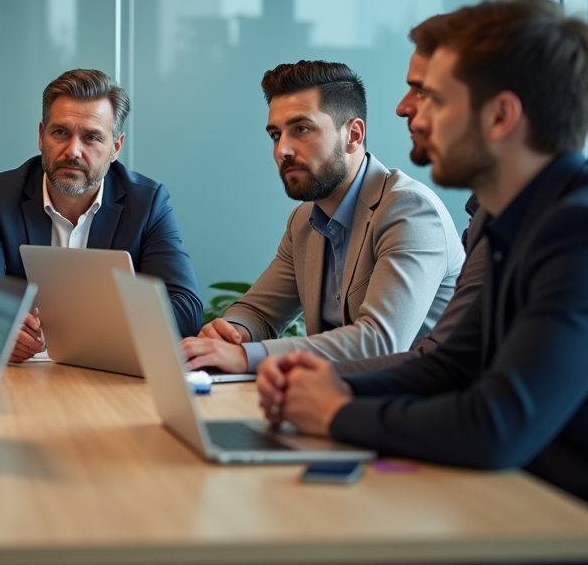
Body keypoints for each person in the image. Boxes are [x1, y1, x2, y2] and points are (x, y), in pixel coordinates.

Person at [257, 0, 588, 562]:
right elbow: (449, 366)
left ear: (500, 117)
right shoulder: (504, 218)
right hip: (521, 503)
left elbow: (497, 424)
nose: (405, 111)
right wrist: (321, 384)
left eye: (433, 97)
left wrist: (334, 412)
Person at [184, 61, 462, 374]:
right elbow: (259, 312)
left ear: (353, 135)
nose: (282, 150)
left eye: (301, 129)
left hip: (415, 410)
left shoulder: (410, 211)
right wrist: (231, 333)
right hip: (336, 403)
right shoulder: (304, 221)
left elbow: (380, 342)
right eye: (276, 135)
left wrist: (247, 357)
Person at [0, 69, 202, 363]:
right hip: (26, 376)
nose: (73, 151)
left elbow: (186, 308)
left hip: (110, 378)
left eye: (92, 137)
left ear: (115, 148)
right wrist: (2, 327)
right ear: (42, 136)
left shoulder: (147, 203)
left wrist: (98, 327)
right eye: (60, 133)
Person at [336, 48, 488, 374]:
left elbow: (500, 408)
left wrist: (324, 396)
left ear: (499, 112)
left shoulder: (580, 230)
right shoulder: (487, 221)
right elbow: (442, 359)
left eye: (424, 90)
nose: (402, 108)